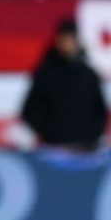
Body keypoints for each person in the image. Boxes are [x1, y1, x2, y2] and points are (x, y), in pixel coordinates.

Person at [22, 19, 108, 152]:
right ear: (58, 41)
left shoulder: (89, 75)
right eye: (65, 39)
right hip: (54, 150)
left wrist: (92, 134)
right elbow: (29, 111)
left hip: (86, 150)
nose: (69, 44)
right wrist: (50, 132)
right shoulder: (45, 74)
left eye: (72, 39)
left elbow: (100, 111)